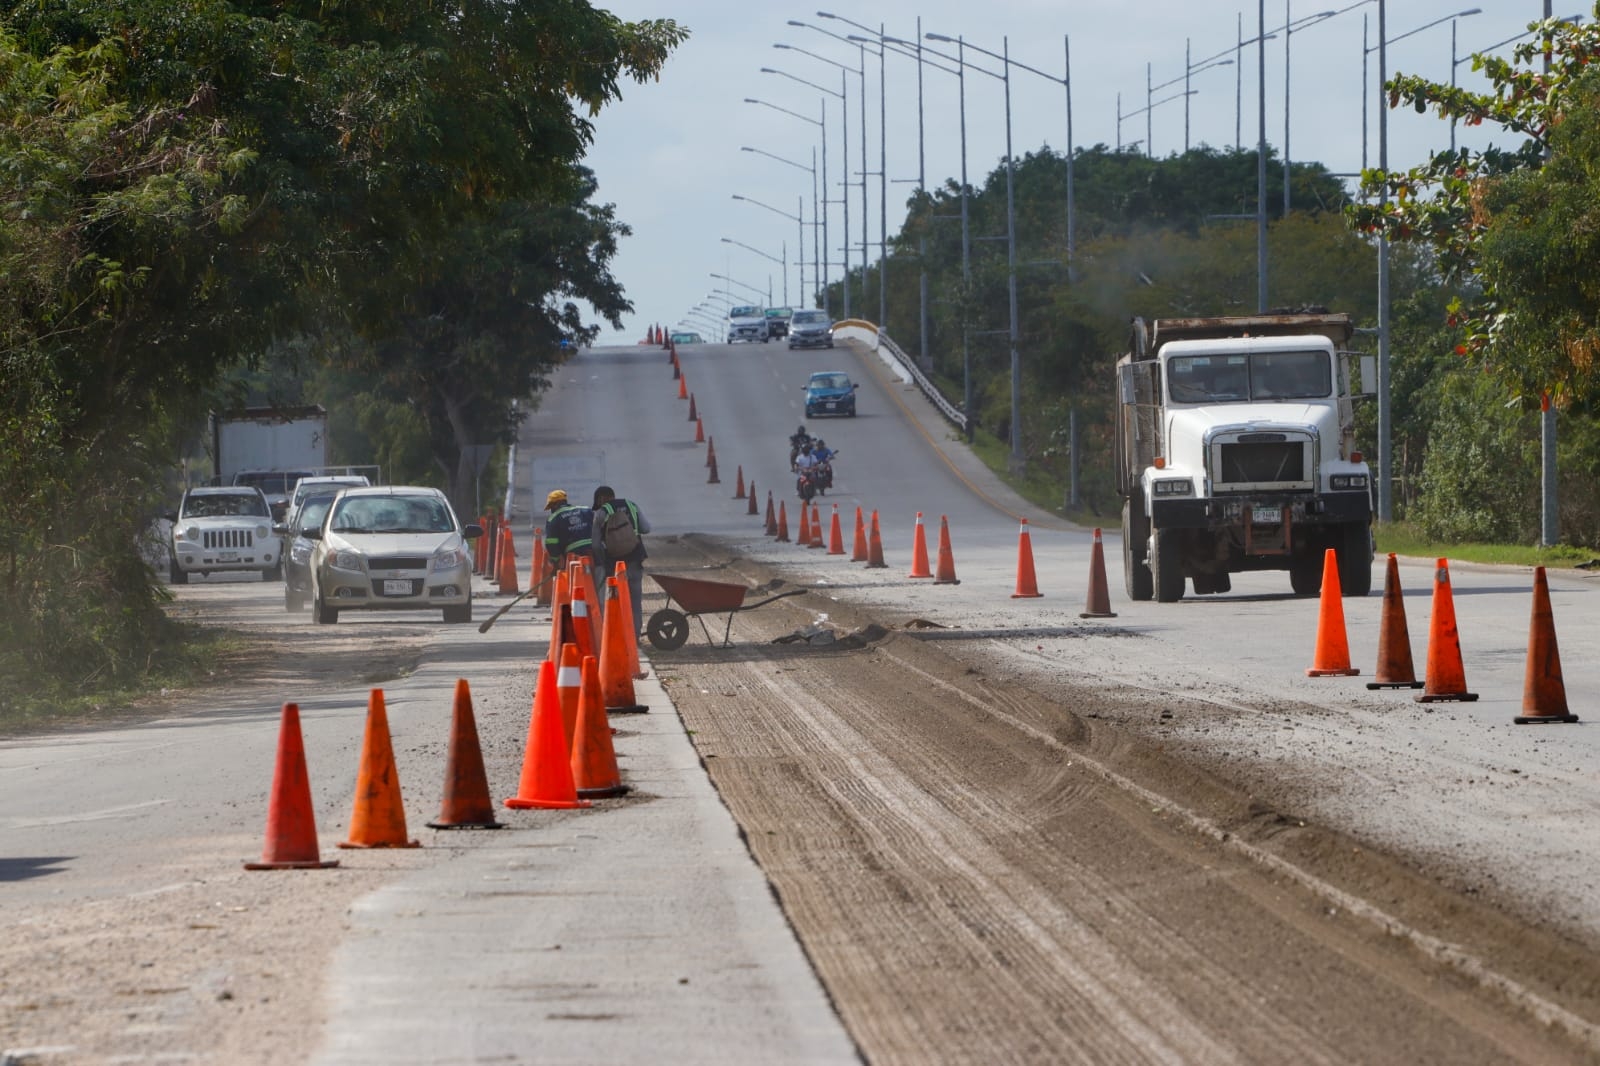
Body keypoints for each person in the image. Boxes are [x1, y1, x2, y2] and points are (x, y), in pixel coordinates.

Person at [591, 485, 651, 636]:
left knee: (615, 601)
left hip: (614, 565)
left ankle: (618, 634)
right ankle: (635, 635)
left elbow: (596, 545)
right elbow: (646, 528)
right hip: (635, 560)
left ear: (601, 499)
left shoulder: (601, 513)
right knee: (635, 601)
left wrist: (601, 561)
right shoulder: (632, 505)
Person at [542, 489, 594, 577]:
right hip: (593, 550)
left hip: (573, 555)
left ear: (554, 505)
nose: (551, 510)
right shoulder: (586, 510)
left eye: (551, 507)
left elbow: (551, 543)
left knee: (577, 580)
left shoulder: (553, 518)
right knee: (594, 578)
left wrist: (556, 562)